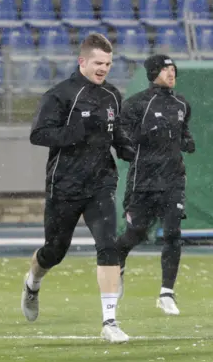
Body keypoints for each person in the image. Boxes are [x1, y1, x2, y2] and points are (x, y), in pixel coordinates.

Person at [20, 33, 135, 343]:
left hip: (101, 183)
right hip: (65, 185)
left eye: (109, 64)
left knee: (108, 244)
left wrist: (129, 149)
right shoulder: (60, 95)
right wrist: (70, 134)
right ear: (82, 61)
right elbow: (38, 134)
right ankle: (32, 283)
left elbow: (118, 134)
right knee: (54, 252)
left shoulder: (112, 95)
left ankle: (109, 321)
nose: (104, 68)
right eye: (98, 63)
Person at [115, 54, 195, 315]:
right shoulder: (136, 104)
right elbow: (120, 134)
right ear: (152, 73)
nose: (171, 73)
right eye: (164, 69)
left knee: (173, 233)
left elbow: (183, 132)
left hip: (173, 178)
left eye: (173, 68)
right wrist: (138, 140)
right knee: (135, 233)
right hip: (144, 180)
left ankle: (166, 293)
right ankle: (117, 263)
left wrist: (186, 141)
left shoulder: (182, 103)